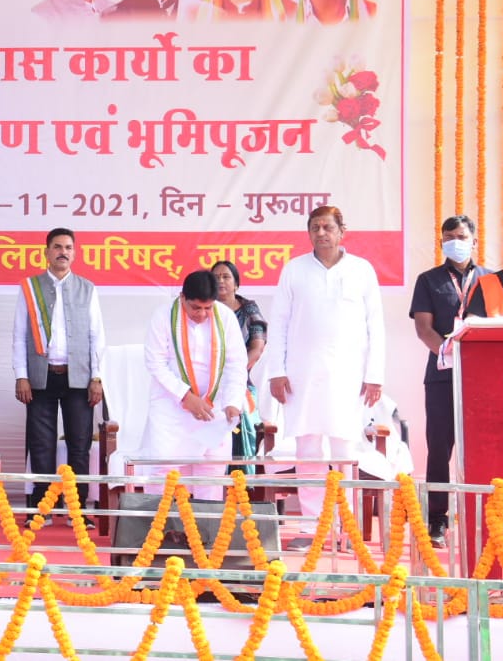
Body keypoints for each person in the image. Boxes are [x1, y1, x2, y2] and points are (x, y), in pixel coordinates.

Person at [264, 205, 384, 549]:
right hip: (302, 375)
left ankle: (346, 528)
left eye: (328, 227)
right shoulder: (294, 269)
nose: (321, 233)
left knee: (346, 450)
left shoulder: (361, 270)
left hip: (349, 376)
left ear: (341, 231)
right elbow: (279, 322)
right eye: (315, 227)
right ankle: (313, 528)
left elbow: (375, 325)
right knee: (308, 450)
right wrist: (277, 371)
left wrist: (375, 375)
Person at [13, 227, 106, 525]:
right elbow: (20, 335)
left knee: (79, 444)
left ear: (74, 253)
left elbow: (97, 336)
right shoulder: (30, 287)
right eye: (57, 247)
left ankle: (77, 511)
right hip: (41, 377)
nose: (62, 252)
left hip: (78, 378)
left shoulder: (87, 288)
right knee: (41, 444)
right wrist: (21, 375)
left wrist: (97, 378)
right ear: (47, 252)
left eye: (67, 247)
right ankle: (43, 508)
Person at [409, 214, 482, 547]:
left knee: (481, 446)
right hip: (441, 375)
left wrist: (473, 362)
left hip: (482, 377)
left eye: (461, 236)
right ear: (442, 243)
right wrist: (450, 356)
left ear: (474, 241)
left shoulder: (490, 280)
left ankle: (482, 515)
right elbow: (424, 329)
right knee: (439, 448)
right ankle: (437, 519)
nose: (456, 242)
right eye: (449, 237)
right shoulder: (428, 280)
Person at [141, 270, 247, 502]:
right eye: (196, 308)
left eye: (208, 308)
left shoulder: (225, 317)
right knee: (164, 470)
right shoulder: (163, 316)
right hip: (171, 408)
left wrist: (232, 402)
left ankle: (206, 525)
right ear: (182, 297)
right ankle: (160, 523)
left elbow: (236, 364)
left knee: (211, 471)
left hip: (213, 408)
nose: (202, 314)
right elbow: (155, 363)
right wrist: (185, 397)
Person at [211, 260, 267, 471]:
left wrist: (234, 375)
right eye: (216, 277)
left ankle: (243, 479)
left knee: (242, 414)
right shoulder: (205, 309)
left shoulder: (248, 309)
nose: (221, 281)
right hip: (209, 383)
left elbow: (257, 347)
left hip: (241, 380)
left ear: (236, 284)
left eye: (226, 277)